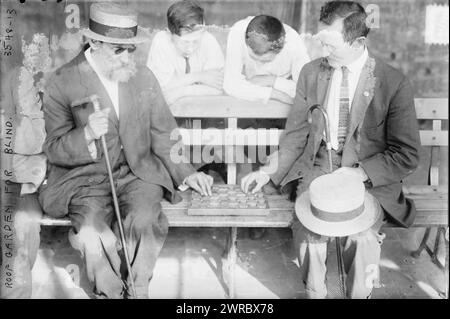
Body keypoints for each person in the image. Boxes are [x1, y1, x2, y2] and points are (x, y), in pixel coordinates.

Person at [241, 1, 420, 298]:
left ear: (358, 42)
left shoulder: (393, 83)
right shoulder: (311, 73)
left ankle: (358, 295)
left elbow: (407, 154)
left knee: (362, 238)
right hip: (319, 165)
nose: (323, 52)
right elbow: (296, 134)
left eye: (331, 45)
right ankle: (315, 293)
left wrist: (359, 174)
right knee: (310, 232)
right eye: (321, 42)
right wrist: (267, 170)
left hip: (368, 175)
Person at [39, 2, 213, 299]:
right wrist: (87, 134)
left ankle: (138, 290)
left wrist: (188, 171)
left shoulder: (142, 77)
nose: (126, 57)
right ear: (94, 42)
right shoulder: (61, 81)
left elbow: (163, 132)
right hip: (85, 181)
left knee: (145, 220)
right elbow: (54, 148)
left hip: (137, 173)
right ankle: (110, 292)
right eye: (118, 49)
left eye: (131, 48)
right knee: (93, 238)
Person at [146, 0, 224, 105]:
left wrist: (181, 92)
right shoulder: (161, 41)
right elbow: (159, 89)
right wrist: (198, 76)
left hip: (204, 108)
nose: (190, 48)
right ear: (170, 34)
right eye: (185, 42)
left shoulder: (208, 40)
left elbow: (218, 88)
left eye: (196, 41)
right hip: (168, 112)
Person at [223, 15, 310, 105]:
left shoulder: (294, 44)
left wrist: (271, 81)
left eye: (265, 61)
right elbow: (230, 84)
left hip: (280, 109)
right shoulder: (238, 32)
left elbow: (306, 90)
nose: (260, 66)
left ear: (279, 50)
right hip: (245, 104)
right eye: (254, 57)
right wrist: (274, 94)